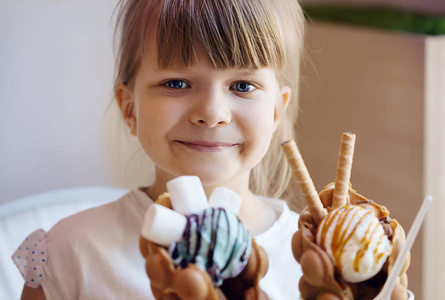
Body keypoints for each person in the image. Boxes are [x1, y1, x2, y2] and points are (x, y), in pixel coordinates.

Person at [14, 0, 305, 299]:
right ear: (130, 109)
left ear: (274, 113)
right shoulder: (69, 252)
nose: (212, 112)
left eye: (242, 86)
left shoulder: (312, 255)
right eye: (177, 83)